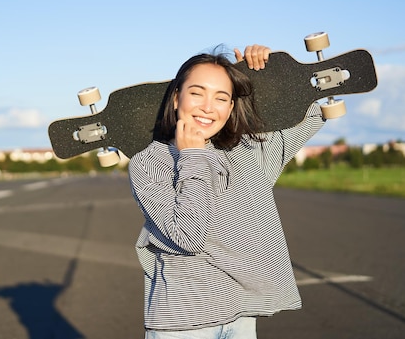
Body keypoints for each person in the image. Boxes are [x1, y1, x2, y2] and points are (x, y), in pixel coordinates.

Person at [128, 44, 326, 339]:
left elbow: (311, 114)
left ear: (231, 107)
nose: (208, 107)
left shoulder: (248, 151)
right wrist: (192, 155)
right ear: (176, 98)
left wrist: (266, 76)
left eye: (222, 98)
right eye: (197, 93)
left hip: (241, 315)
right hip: (184, 322)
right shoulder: (148, 162)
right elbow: (189, 235)